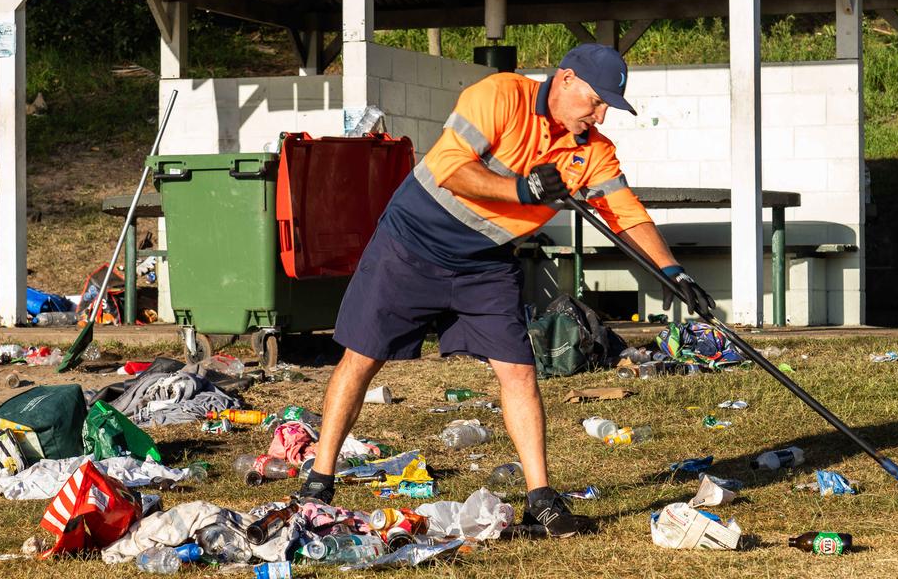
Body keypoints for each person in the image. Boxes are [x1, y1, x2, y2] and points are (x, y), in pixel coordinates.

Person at [297, 43, 715, 537]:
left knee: (518, 371)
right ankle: (319, 480)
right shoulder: (499, 95)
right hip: (411, 245)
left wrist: (674, 272)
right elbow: (453, 169)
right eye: (596, 100)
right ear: (564, 80)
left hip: (486, 264)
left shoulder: (592, 151)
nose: (600, 113)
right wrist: (524, 189)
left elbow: (625, 211)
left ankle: (540, 497)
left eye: (608, 106)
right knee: (362, 358)